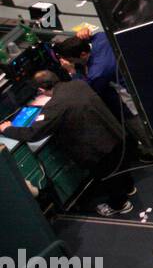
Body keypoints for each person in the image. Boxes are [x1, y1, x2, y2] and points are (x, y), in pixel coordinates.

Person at [0, 71, 135, 217]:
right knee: (119, 167)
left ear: (40, 90)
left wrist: (7, 129)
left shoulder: (55, 106)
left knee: (108, 177)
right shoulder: (78, 84)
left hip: (98, 149)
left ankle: (120, 205)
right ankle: (129, 188)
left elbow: (33, 133)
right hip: (114, 135)